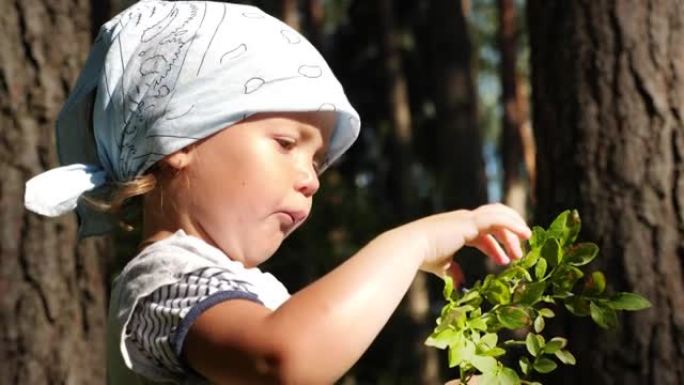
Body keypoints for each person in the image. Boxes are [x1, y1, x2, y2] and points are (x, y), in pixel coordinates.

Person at [24, 1, 531, 384]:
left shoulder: (245, 293)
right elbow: (283, 359)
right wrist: (412, 242)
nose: (311, 178)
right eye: (286, 143)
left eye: (316, 161)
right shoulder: (162, 283)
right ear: (176, 138)